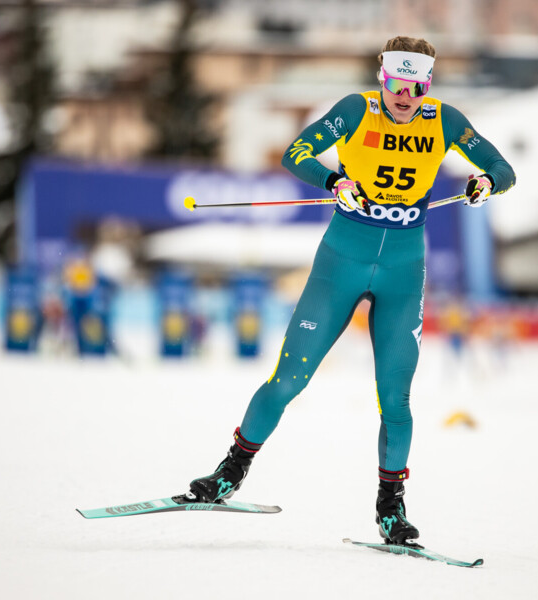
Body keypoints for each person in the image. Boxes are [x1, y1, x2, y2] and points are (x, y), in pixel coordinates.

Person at [183, 36, 516, 544]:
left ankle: (391, 509)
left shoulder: (445, 120)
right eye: (398, 85)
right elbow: (297, 152)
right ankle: (231, 470)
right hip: (341, 261)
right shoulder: (355, 110)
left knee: (396, 401)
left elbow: (504, 169)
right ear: (384, 79)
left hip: (404, 273)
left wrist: (484, 184)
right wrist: (333, 179)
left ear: (428, 86)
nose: (406, 98)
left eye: (417, 87)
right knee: (287, 381)